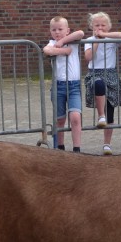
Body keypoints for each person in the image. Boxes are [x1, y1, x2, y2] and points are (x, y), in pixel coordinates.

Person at [82, 11, 121, 155]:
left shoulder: (111, 39)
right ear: (91, 26)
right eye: (97, 25)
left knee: (110, 111)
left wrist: (105, 35)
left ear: (109, 26)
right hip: (95, 73)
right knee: (99, 84)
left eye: (103, 25)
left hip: (110, 73)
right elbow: (88, 57)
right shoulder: (89, 40)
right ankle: (101, 115)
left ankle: (107, 144)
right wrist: (97, 41)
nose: (100, 28)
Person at [44, 16, 85, 152]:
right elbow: (47, 50)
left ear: (67, 31)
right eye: (54, 30)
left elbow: (80, 33)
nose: (57, 32)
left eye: (60, 29)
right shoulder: (52, 43)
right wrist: (63, 51)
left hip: (74, 86)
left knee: (75, 117)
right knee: (60, 119)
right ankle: (59, 147)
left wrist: (62, 42)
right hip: (58, 86)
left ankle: (77, 148)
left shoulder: (72, 41)